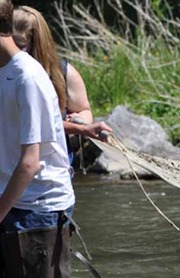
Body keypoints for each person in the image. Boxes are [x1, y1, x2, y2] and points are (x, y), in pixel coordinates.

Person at [0, 0, 75, 276]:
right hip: (11, 204)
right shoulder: (3, 71)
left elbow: (30, 163)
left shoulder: (27, 77)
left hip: (37, 211)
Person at [12, 5, 112, 165]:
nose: (13, 52)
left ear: (37, 44)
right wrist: (81, 129)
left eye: (21, 46)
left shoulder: (64, 73)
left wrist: (80, 119)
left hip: (54, 163)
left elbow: (84, 109)